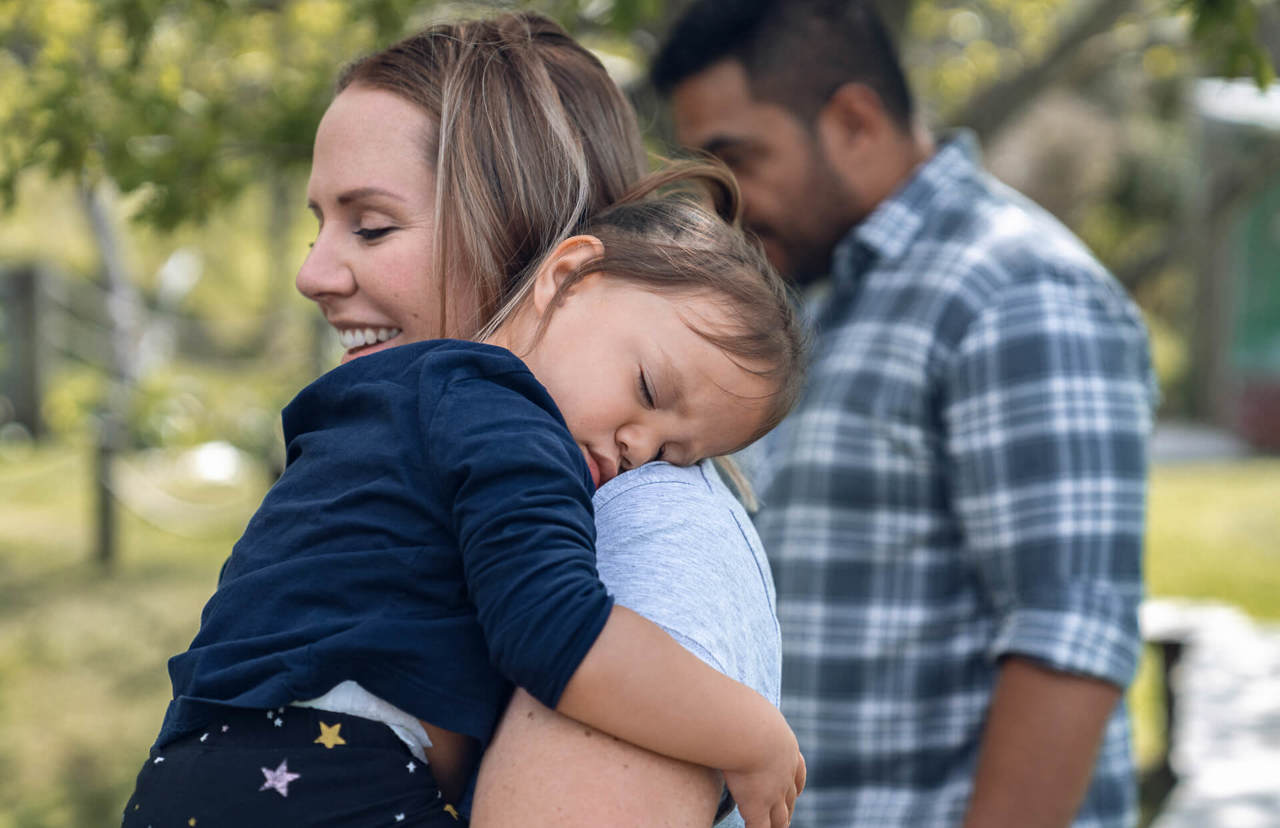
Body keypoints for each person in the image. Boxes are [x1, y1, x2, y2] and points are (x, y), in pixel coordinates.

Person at [122, 165, 807, 828]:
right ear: (568, 277)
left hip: (198, 764)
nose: (639, 448)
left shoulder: (416, 398)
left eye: (673, 454)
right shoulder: (510, 420)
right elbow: (557, 634)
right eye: (650, 391)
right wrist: (751, 733)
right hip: (320, 776)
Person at [652, 2, 1158, 827]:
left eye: (739, 157)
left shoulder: (1017, 291)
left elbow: (1069, 642)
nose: (723, 201)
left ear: (854, 119)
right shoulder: (806, 300)